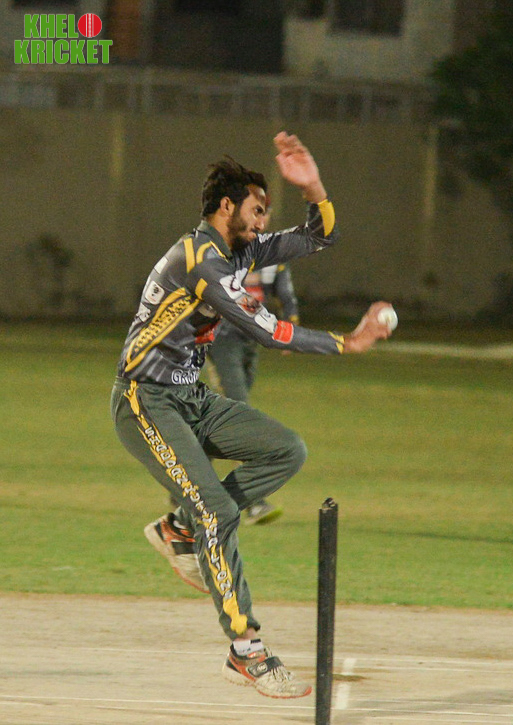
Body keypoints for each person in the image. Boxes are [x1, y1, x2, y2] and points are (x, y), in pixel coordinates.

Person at [110, 131, 393, 699]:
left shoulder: (238, 251)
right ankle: (246, 652)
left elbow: (319, 237)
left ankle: (180, 528)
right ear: (226, 206)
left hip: (188, 398)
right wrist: (348, 343)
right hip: (145, 402)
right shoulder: (201, 261)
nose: (264, 221)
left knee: (287, 450)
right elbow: (265, 329)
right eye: (257, 210)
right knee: (216, 509)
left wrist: (314, 186)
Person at [207, 204, 300, 526]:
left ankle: (186, 477)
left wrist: (290, 325)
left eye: (264, 215)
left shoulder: (272, 258)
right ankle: (252, 500)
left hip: (250, 342)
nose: (259, 221)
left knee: (224, 417)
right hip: (223, 340)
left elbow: (285, 295)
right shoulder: (224, 252)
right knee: (241, 411)